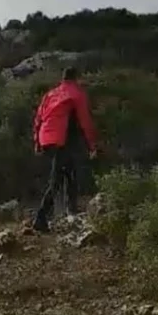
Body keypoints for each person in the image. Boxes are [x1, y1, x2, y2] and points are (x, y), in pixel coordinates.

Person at [30, 66, 100, 233]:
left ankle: (71, 210)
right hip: (60, 139)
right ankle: (41, 218)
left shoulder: (51, 94)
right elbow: (85, 121)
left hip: (46, 137)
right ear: (77, 77)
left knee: (69, 172)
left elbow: (38, 118)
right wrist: (93, 145)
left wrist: (37, 143)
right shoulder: (76, 93)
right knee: (57, 180)